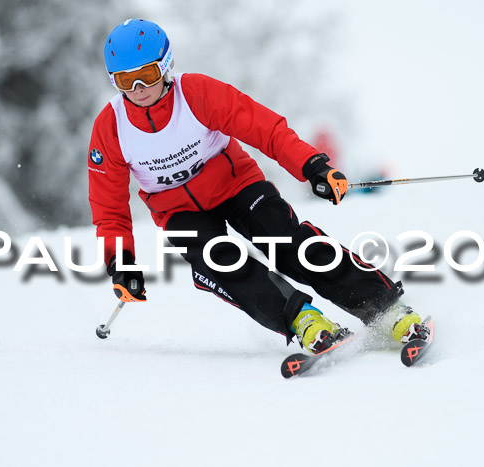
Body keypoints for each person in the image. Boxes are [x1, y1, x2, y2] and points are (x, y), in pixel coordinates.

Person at [88, 18, 426, 353]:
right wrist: (121, 262)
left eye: (145, 76)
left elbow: (265, 129)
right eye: (125, 81)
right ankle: (304, 321)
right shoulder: (111, 128)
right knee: (219, 262)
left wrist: (312, 166)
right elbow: (110, 208)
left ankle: (384, 308)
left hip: (236, 185)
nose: (138, 90)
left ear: (165, 66)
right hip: (177, 211)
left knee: (284, 240)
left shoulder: (197, 94)